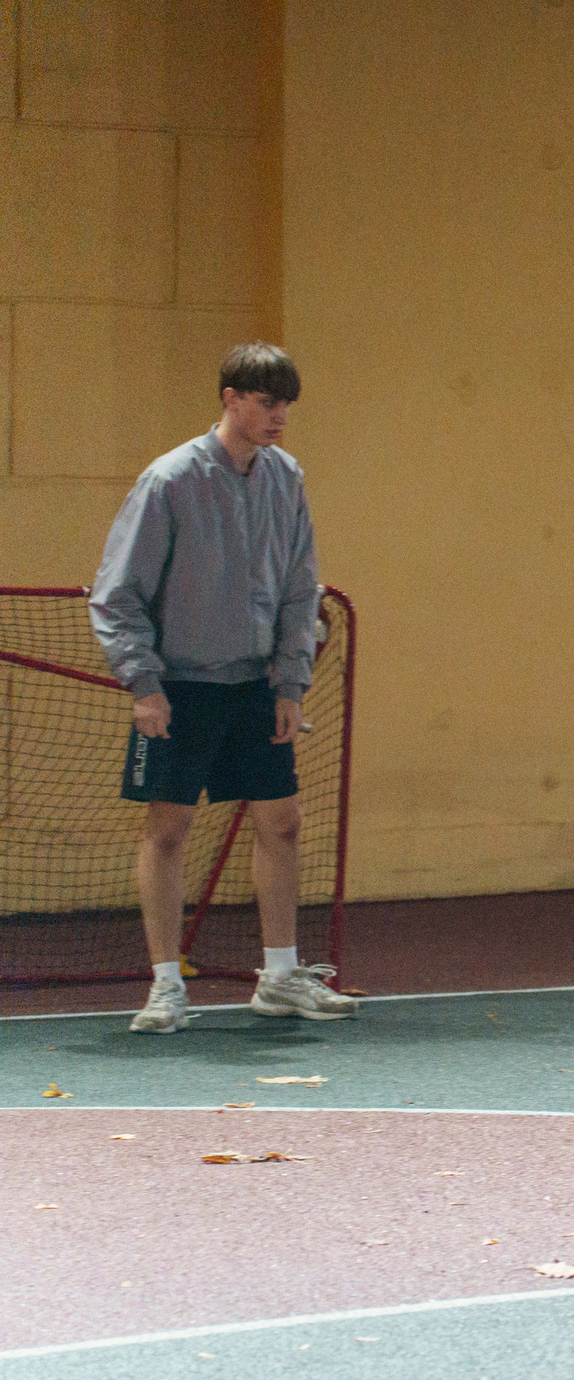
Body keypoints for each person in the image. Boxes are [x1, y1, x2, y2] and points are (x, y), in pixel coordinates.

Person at [91, 342, 354, 1034]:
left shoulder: (285, 477)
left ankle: (278, 976)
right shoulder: (169, 480)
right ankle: (166, 986)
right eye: (268, 402)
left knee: (284, 822)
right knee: (170, 830)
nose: (280, 417)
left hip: (258, 685)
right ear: (231, 398)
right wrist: (144, 684)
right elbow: (117, 595)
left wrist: (290, 683)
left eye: (287, 405)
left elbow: (302, 587)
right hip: (178, 686)